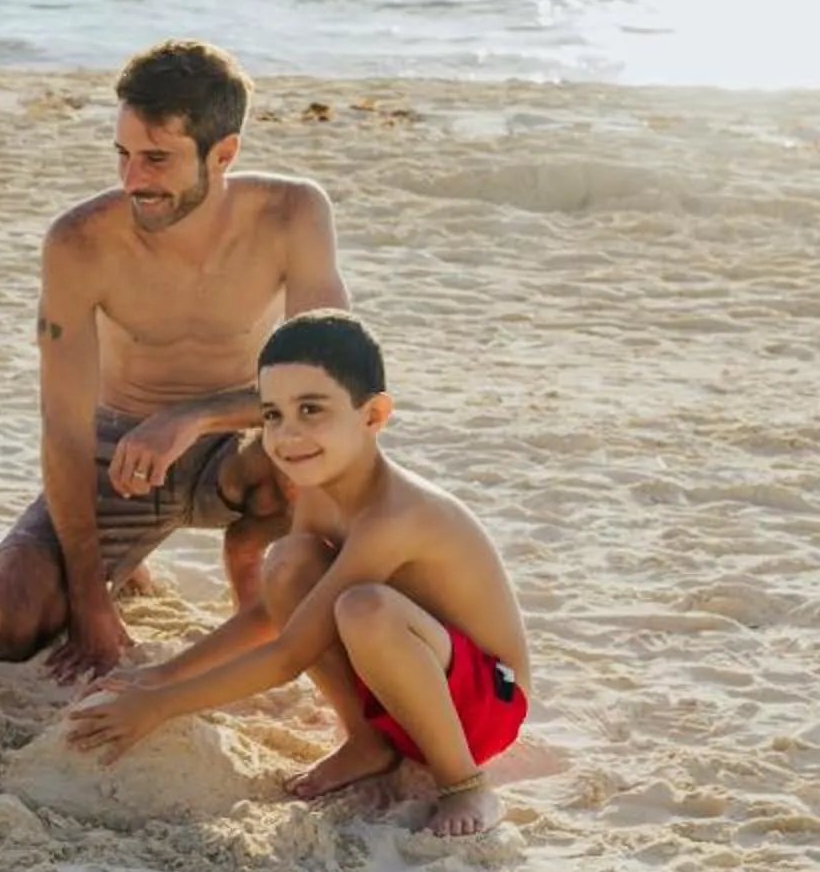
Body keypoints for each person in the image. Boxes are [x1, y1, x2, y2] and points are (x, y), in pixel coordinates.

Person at [64, 312, 530, 836]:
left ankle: (465, 785)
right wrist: (162, 675)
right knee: (288, 562)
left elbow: (292, 653)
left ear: (373, 415)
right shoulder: (318, 487)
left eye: (311, 409)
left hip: (488, 703)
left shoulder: (396, 515)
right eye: (272, 415)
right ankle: (368, 741)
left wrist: (158, 707)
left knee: (364, 608)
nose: (288, 435)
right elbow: (274, 614)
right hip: (408, 686)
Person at [0, 38, 350, 682]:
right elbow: (63, 425)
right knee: (5, 620)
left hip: (241, 442)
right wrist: (89, 602)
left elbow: (337, 385)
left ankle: (252, 565)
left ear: (223, 153)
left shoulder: (292, 213)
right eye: (122, 155)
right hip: (121, 453)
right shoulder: (80, 242)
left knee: (313, 454)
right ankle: (124, 568)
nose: (131, 180)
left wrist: (195, 416)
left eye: (156, 158)